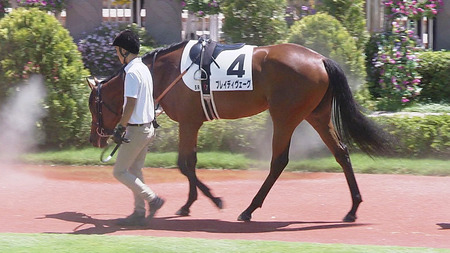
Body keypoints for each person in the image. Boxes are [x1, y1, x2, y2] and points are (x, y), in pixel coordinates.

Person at [111, 29, 164, 226]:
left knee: (120, 172)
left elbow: (131, 103)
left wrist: (120, 127)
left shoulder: (132, 72)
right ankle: (139, 213)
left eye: (118, 51)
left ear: (124, 51)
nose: (117, 55)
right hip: (147, 128)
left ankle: (153, 199)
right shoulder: (143, 69)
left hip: (136, 130)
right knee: (134, 170)